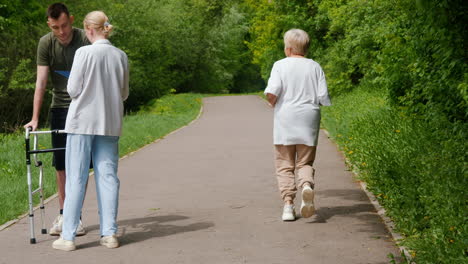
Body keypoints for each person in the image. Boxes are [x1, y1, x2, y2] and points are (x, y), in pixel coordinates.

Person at [52, 10, 129, 251]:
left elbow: (73, 89)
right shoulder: (120, 55)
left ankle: (68, 236)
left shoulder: (83, 53)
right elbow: (124, 93)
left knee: (76, 176)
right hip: (109, 122)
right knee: (108, 177)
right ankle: (109, 234)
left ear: (88, 29)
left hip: (82, 121)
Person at [23, 2, 89, 236]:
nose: (61, 32)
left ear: (71, 19)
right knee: (61, 166)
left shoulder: (85, 38)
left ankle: (76, 217)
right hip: (59, 107)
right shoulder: (45, 43)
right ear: (48, 25)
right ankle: (63, 213)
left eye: (64, 26)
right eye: (55, 28)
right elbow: (41, 82)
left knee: (79, 166)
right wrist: (34, 118)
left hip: (84, 108)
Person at [264, 29, 331, 221]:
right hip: (309, 117)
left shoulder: (280, 65)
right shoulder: (315, 66)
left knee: (285, 164)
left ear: (288, 48)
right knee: (305, 162)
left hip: (286, 117)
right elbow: (323, 97)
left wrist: (271, 102)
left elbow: (272, 91)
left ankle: (288, 206)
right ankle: (307, 186)